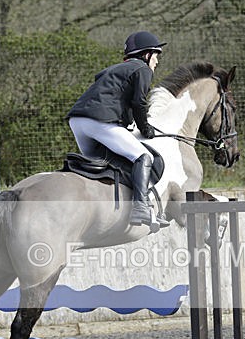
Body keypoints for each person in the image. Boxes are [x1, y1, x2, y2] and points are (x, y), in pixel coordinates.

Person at [66, 31, 169, 228]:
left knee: (108, 164)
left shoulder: (113, 70)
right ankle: (140, 207)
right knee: (143, 157)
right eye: (156, 55)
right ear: (146, 55)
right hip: (99, 121)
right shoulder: (142, 68)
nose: (157, 61)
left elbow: (118, 102)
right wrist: (145, 128)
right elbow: (139, 103)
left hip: (78, 122)